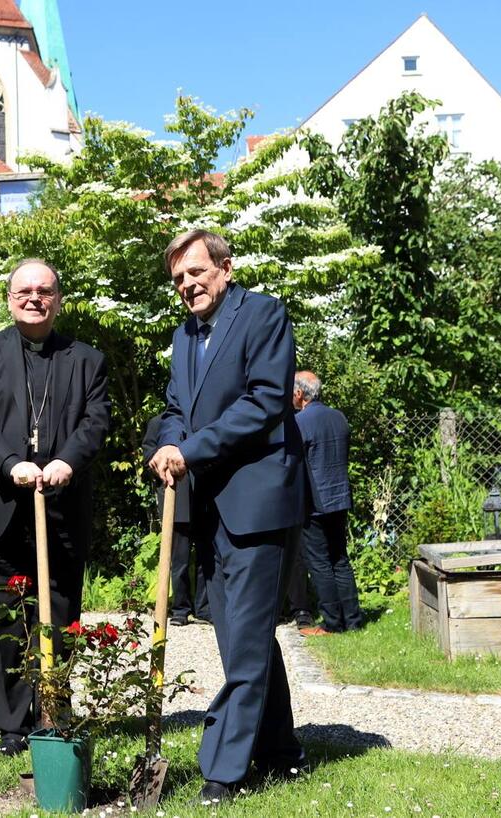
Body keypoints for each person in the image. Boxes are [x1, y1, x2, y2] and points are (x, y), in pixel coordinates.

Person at [148, 229, 307, 804]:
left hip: (258, 504)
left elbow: (265, 401)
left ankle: (223, 768)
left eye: (196, 271)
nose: (188, 284)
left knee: (244, 638)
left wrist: (190, 449)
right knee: (242, 635)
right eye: (179, 278)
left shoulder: (263, 315)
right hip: (209, 505)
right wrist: (169, 443)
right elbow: (175, 408)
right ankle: (282, 752)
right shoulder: (184, 335)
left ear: (225, 268)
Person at [0, 259, 110, 756]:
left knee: (60, 617)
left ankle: (54, 713)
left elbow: (95, 421)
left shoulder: (87, 359)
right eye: (24, 291)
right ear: (9, 299)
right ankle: (12, 725)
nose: (34, 299)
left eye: (44, 291)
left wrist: (67, 461)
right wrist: (9, 464)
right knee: (6, 622)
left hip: (62, 509)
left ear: (58, 300)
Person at [293, 370, 365, 633]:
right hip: (340, 498)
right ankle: (353, 620)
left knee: (320, 563)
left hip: (314, 502)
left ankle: (332, 623)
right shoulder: (339, 417)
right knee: (340, 559)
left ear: (299, 393)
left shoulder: (299, 422)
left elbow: (294, 463)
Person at [141, 415, 210, 626]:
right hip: (176, 499)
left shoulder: (199, 418)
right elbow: (149, 456)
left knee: (206, 558)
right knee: (179, 560)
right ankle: (181, 609)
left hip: (203, 498)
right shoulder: (158, 423)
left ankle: (204, 608)